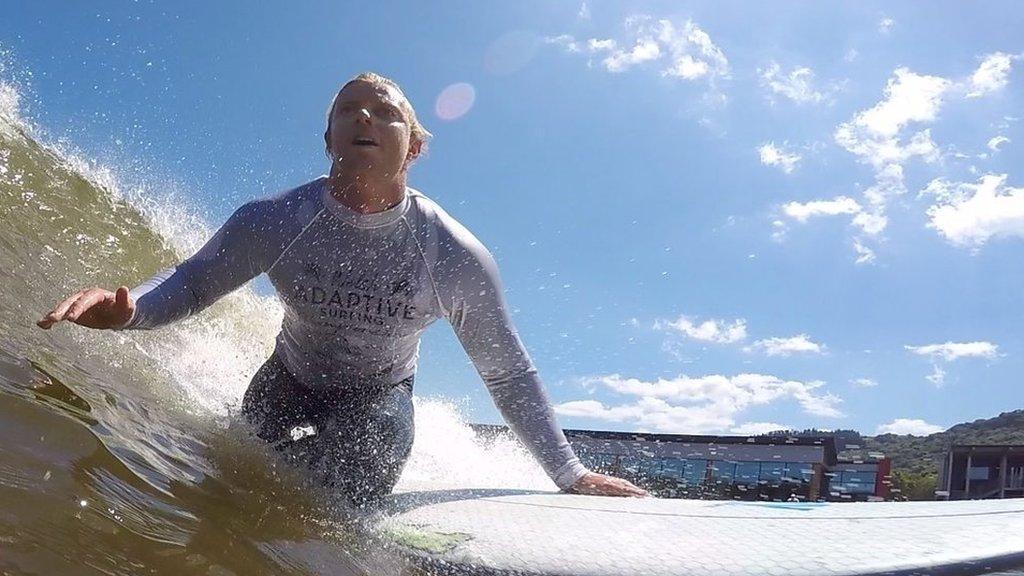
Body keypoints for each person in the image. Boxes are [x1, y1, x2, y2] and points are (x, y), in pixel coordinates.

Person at [37, 72, 647, 505]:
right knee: (231, 482)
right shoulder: (274, 221)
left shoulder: (453, 253)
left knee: (353, 483)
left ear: (414, 149)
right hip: (287, 379)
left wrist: (569, 473)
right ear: (328, 138)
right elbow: (194, 281)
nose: (366, 117)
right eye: (349, 109)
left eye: (387, 113)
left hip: (379, 399)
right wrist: (131, 310)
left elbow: (507, 373)